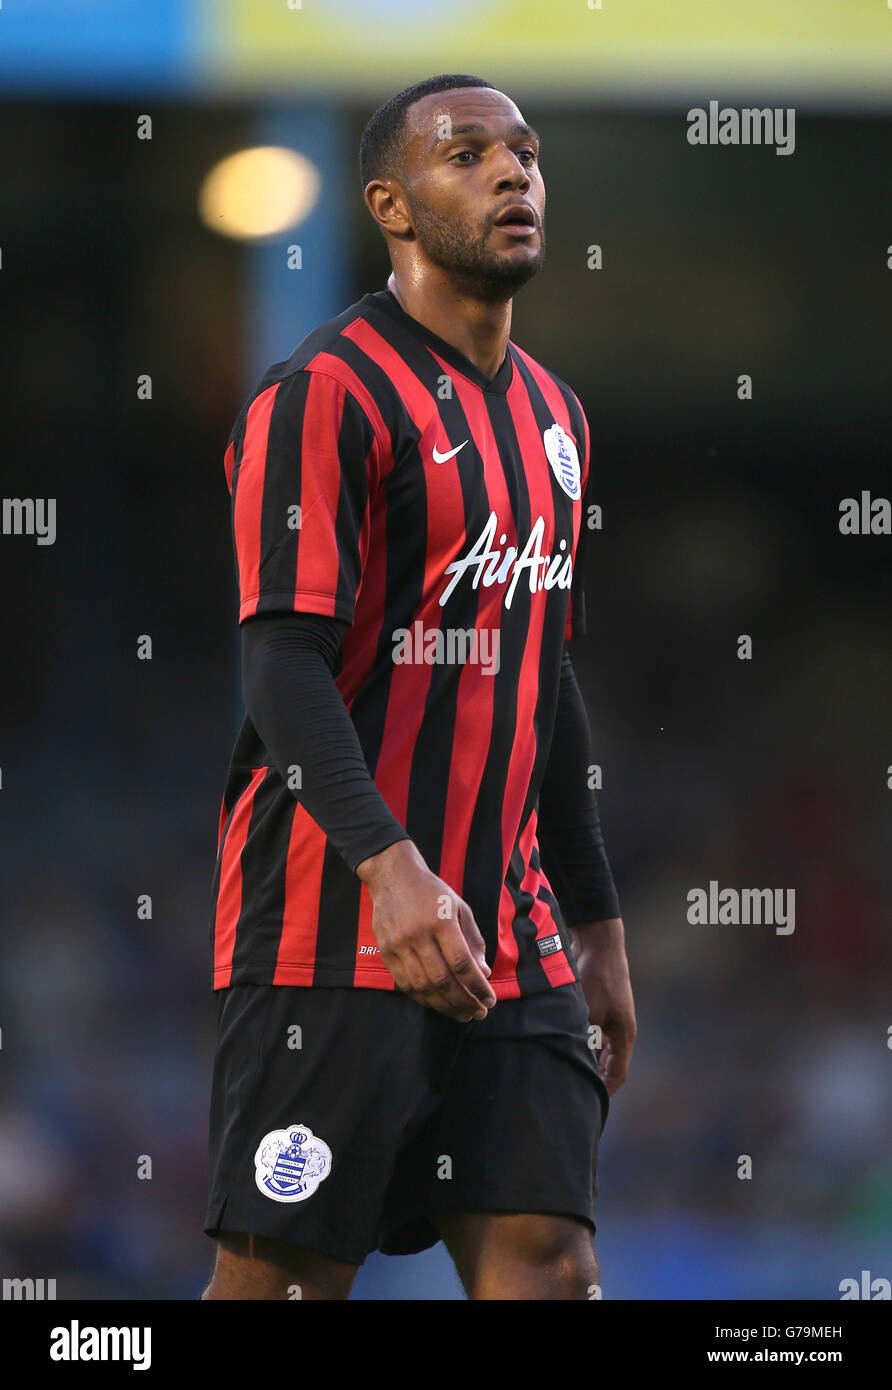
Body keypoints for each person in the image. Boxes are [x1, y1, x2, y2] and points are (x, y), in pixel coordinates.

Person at [202, 73, 636, 1301]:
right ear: (390, 204)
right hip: (331, 928)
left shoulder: (560, 420)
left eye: (527, 153)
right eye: (469, 155)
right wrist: (390, 867)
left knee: (549, 1267)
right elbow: (281, 659)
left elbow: (542, 670)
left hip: (514, 935)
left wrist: (594, 923)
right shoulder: (323, 394)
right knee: (283, 1283)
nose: (513, 173)